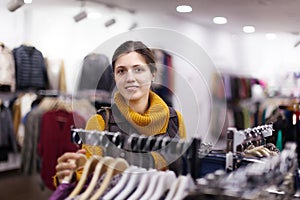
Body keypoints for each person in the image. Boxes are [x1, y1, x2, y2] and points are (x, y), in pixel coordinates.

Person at [54, 40, 186, 187]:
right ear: (115, 77)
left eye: (138, 70)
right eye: (121, 71)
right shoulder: (100, 122)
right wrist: (70, 177)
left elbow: (181, 175)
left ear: (153, 74)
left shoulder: (174, 119)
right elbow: (87, 179)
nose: (130, 78)